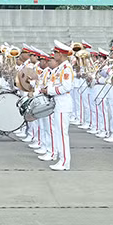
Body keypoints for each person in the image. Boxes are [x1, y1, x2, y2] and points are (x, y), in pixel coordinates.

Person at [41, 40, 74, 171]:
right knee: (58, 133)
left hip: (63, 102)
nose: (53, 55)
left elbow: (66, 87)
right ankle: (61, 158)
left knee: (62, 133)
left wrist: (49, 91)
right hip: (57, 102)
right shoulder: (59, 68)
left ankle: (65, 161)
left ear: (61, 54)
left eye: (55, 52)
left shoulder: (66, 68)